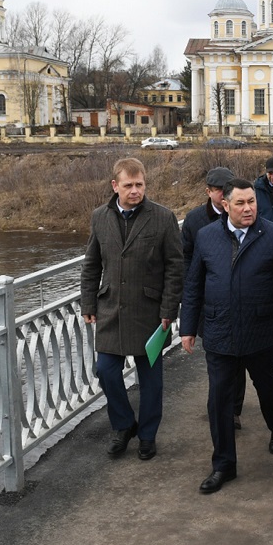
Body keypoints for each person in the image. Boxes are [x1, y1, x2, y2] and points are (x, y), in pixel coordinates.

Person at [181, 178, 273, 494]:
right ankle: (223, 465)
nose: (248, 208)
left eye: (252, 202)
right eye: (240, 203)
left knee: (267, 387)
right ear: (225, 205)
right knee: (219, 399)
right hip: (219, 331)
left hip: (260, 330)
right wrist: (187, 328)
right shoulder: (207, 237)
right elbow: (193, 285)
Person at [80, 157, 185, 461]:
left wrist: (169, 310)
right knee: (106, 371)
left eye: (140, 184)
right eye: (129, 185)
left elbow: (175, 268)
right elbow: (92, 264)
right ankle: (124, 425)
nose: (135, 190)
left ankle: (148, 436)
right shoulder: (100, 216)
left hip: (150, 313)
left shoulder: (162, 218)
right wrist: (88, 301)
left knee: (150, 379)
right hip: (111, 309)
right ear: (115, 186)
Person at [181, 166, 249, 431]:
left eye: (227, 189)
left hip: (241, 299)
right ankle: (221, 404)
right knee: (217, 356)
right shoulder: (195, 220)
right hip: (210, 301)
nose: (224, 195)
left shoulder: (244, 212)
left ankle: (233, 410)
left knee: (239, 357)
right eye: (219, 190)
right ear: (208, 191)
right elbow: (185, 257)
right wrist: (192, 287)